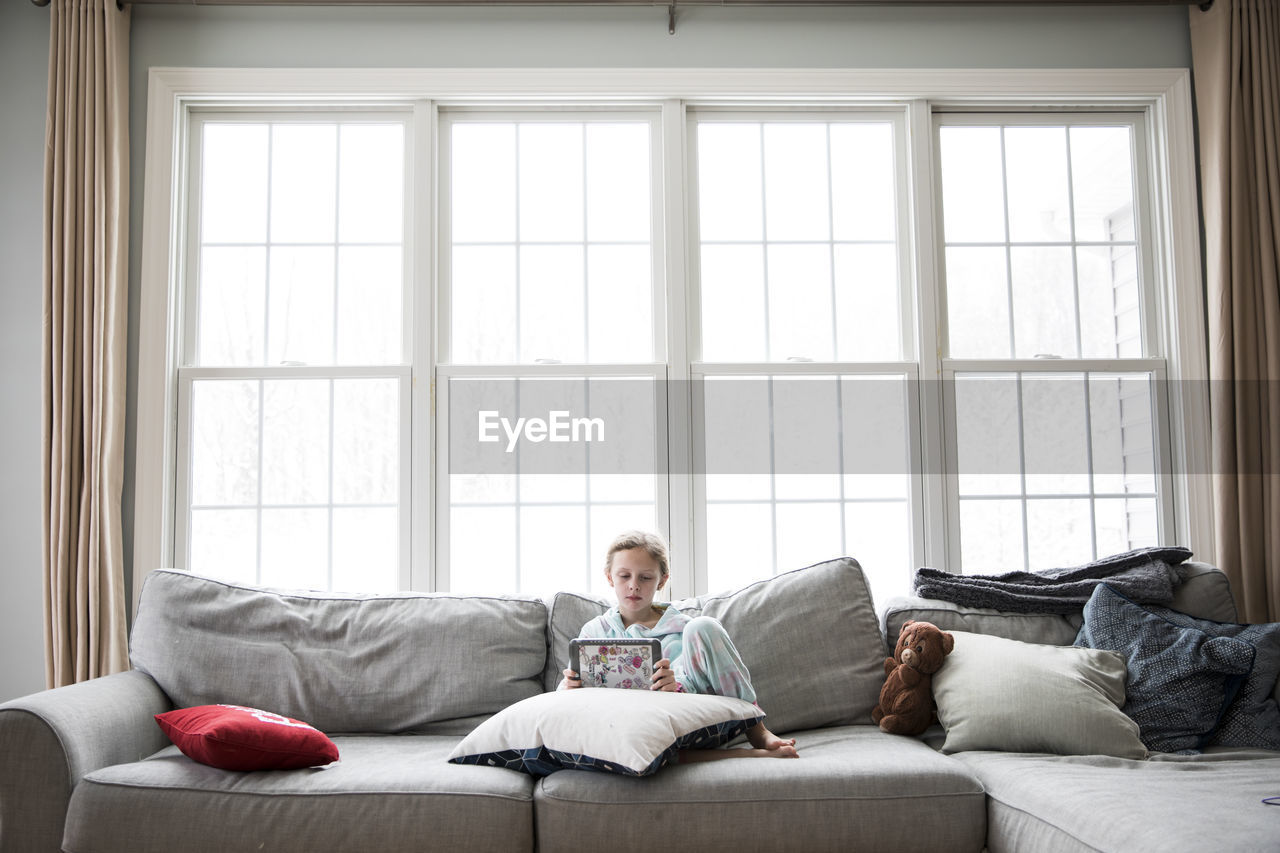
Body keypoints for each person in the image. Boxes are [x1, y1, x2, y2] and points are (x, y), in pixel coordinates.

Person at [561, 530, 798, 761]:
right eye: (625, 576)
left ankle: (757, 732)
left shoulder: (683, 629)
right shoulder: (596, 631)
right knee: (631, 743)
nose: (634, 585)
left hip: (691, 721)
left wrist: (676, 686)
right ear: (610, 577)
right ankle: (740, 755)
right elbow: (570, 699)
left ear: (662, 580)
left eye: (645, 577)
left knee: (703, 626)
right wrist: (569, 686)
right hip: (632, 731)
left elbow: (696, 685)